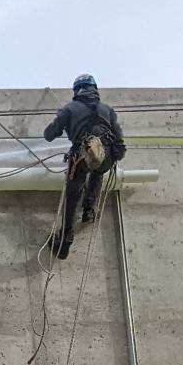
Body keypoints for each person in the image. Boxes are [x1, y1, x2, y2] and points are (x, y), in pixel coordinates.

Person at [42, 75, 126, 258]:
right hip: (105, 156)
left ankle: (66, 237)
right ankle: (89, 209)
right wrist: (111, 157)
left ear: (77, 91)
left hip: (81, 156)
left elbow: (48, 135)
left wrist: (60, 119)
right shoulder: (108, 110)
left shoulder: (70, 109)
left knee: (73, 193)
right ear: (94, 90)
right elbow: (120, 144)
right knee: (98, 170)